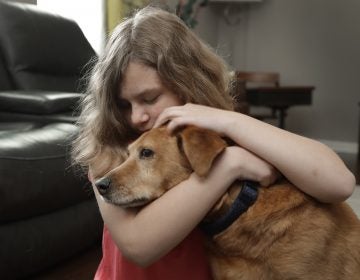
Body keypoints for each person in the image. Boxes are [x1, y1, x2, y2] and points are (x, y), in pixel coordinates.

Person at [72, 6, 356, 280]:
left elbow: (340, 183)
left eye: (149, 98)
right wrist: (230, 165)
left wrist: (228, 121)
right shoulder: (110, 152)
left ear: (187, 84)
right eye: (122, 104)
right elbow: (139, 247)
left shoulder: (214, 137)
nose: (136, 116)